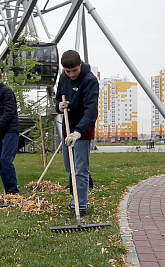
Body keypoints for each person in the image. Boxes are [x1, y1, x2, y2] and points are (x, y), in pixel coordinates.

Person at [56, 50, 99, 216]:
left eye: (74, 70)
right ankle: (75, 199)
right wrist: (59, 106)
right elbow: (58, 98)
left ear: (80, 64)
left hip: (82, 131)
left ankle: (80, 206)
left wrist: (79, 132)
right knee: (70, 168)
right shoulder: (63, 77)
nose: (72, 74)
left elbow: (91, 110)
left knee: (80, 169)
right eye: (68, 71)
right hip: (67, 128)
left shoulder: (90, 81)